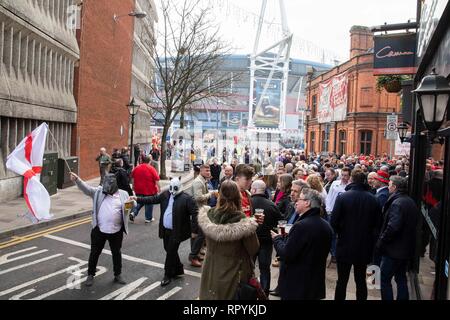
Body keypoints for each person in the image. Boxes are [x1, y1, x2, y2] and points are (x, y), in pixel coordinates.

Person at [130, 177, 198, 286]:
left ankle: (167, 275)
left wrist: (194, 231)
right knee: (168, 249)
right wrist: (137, 198)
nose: (172, 192)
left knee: (170, 252)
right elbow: (152, 199)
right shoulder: (166, 194)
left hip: (177, 231)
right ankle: (178, 269)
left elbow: (195, 214)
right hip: (165, 230)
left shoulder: (187, 199)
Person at [198, 180, 260, 300]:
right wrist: (252, 225)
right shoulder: (241, 220)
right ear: (238, 196)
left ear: (219, 195)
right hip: (233, 273)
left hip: (210, 268)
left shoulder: (209, 214)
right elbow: (253, 248)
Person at [271, 188, 332, 300]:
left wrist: (277, 239)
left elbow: (287, 254)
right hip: (315, 284)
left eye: (299, 199)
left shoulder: (301, 226)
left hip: (297, 285)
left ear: (307, 203)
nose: (296, 202)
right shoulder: (326, 226)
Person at [69, 172, 129, 286]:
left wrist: (133, 202)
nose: (106, 190)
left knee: (116, 253)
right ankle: (90, 275)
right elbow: (86, 189)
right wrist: (77, 179)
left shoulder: (123, 194)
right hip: (99, 230)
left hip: (116, 231)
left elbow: (131, 204)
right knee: (95, 253)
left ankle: (118, 274)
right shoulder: (98, 192)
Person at [330, 169, 382, 300]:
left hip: (345, 244)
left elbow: (333, 222)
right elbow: (378, 225)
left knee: (342, 281)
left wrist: (339, 233)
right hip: (363, 246)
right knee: (360, 281)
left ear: (352, 180)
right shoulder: (373, 199)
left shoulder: (343, 197)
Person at [376, 175, 419, 300]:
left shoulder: (397, 203)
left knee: (385, 279)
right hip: (404, 249)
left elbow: (393, 227)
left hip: (394, 250)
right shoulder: (409, 201)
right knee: (400, 277)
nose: (388, 187)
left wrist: (382, 240)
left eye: (389, 185)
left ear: (394, 187)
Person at [250, 180, 283, 296]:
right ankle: (264, 295)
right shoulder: (271, 205)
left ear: (253, 190)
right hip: (266, 243)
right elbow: (280, 223)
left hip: (250, 242)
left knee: (249, 269)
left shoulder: (247, 204)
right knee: (265, 270)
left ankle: (248, 293)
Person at [189, 164, 216, 267]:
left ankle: (197, 253)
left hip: (201, 210)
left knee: (198, 234)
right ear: (201, 171)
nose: (208, 172)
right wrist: (211, 194)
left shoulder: (203, 181)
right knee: (199, 235)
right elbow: (198, 198)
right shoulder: (198, 182)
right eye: (206, 170)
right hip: (197, 211)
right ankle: (193, 256)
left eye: (209, 170)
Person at [325, 167, 351, 262]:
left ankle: (342, 252)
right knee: (332, 234)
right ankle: (333, 254)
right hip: (332, 212)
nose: (344, 177)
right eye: (342, 175)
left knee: (343, 234)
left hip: (344, 214)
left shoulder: (350, 186)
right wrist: (328, 209)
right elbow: (329, 197)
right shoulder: (335, 184)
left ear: (349, 176)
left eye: (346, 175)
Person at [129, 155, 160, 223]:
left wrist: (133, 187)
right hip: (149, 190)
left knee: (139, 201)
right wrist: (159, 189)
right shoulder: (151, 168)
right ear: (149, 161)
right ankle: (148, 218)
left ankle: (133, 212)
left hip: (138, 189)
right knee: (149, 202)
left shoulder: (136, 168)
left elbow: (132, 178)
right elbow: (157, 180)